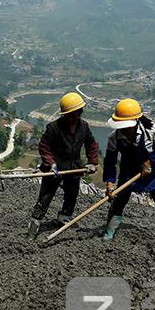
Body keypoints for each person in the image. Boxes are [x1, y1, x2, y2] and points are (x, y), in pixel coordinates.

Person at [27, 92, 99, 239]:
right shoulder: (54, 128)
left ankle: (64, 218)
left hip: (74, 168)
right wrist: (51, 163)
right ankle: (35, 223)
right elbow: (44, 146)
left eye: (76, 114)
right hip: (55, 168)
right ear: (64, 115)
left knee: (72, 194)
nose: (73, 118)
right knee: (46, 196)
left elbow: (91, 144)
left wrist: (92, 162)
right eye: (70, 115)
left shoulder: (83, 126)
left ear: (80, 112)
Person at [102, 98, 155, 240]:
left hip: (154, 170)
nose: (124, 129)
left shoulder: (151, 130)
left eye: (127, 126)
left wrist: (149, 162)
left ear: (136, 121)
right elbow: (110, 162)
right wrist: (110, 183)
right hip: (128, 170)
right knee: (119, 199)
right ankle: (110, 230)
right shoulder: (114, 138)